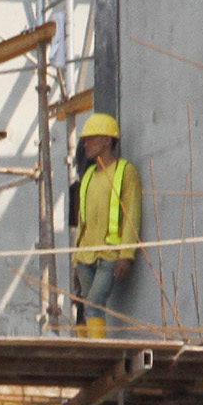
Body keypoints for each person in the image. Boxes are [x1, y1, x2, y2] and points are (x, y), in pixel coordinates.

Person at [70, 112, 142, 339]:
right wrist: (75, 257)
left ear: (107, 141)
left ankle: (96, 352)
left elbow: (132, 214)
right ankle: (85, 352)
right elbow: (84, 221)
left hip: (110, 255)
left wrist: (126, 255)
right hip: (85, 255)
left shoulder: (125, 172)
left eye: (91, 139)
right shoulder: (89, 175)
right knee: (83, 307)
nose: (86, 145)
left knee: (94, 304)